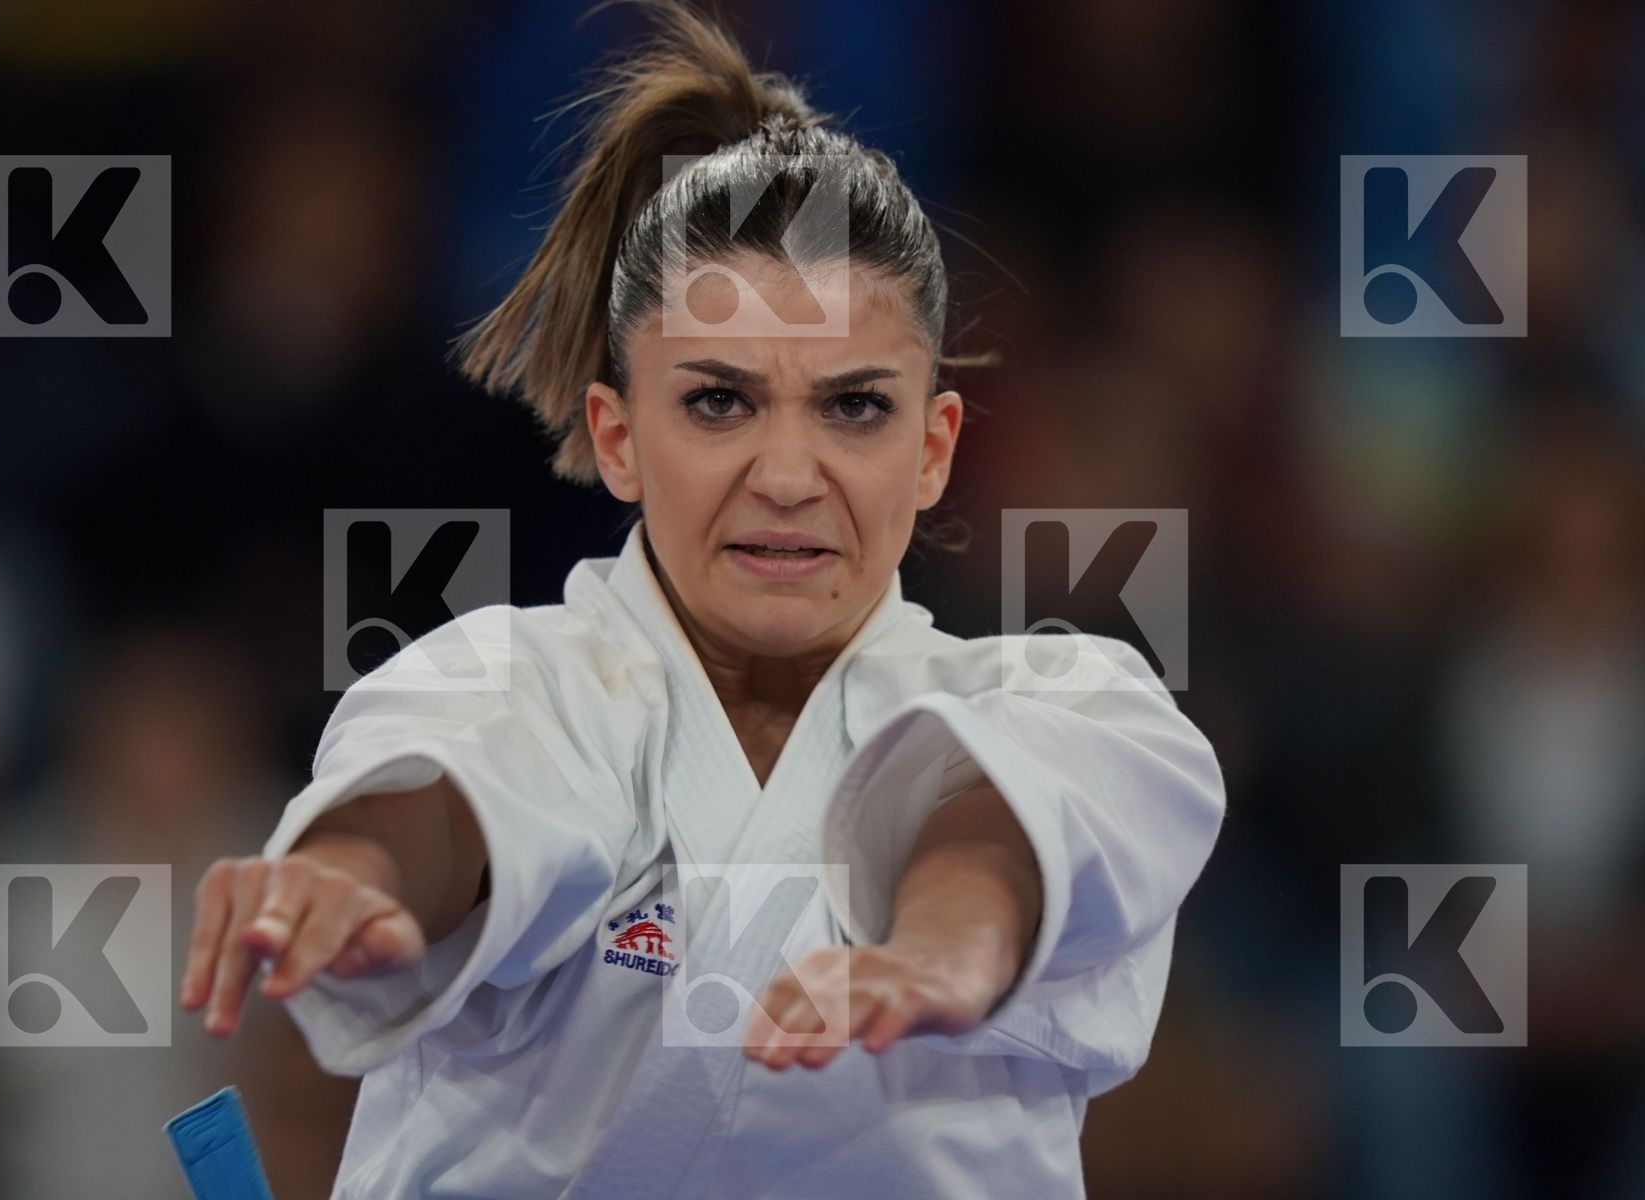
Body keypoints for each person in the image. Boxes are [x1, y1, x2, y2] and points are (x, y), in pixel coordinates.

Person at [180, 3, 1226, 1195]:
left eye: (854, 405)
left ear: (935, 446)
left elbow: (996, 827)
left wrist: (945, 950)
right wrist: (355, 878)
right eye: (719, 402)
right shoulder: (498, 683)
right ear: (616, 437)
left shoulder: (1082, 704)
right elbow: (462, 802)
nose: (786, 477)